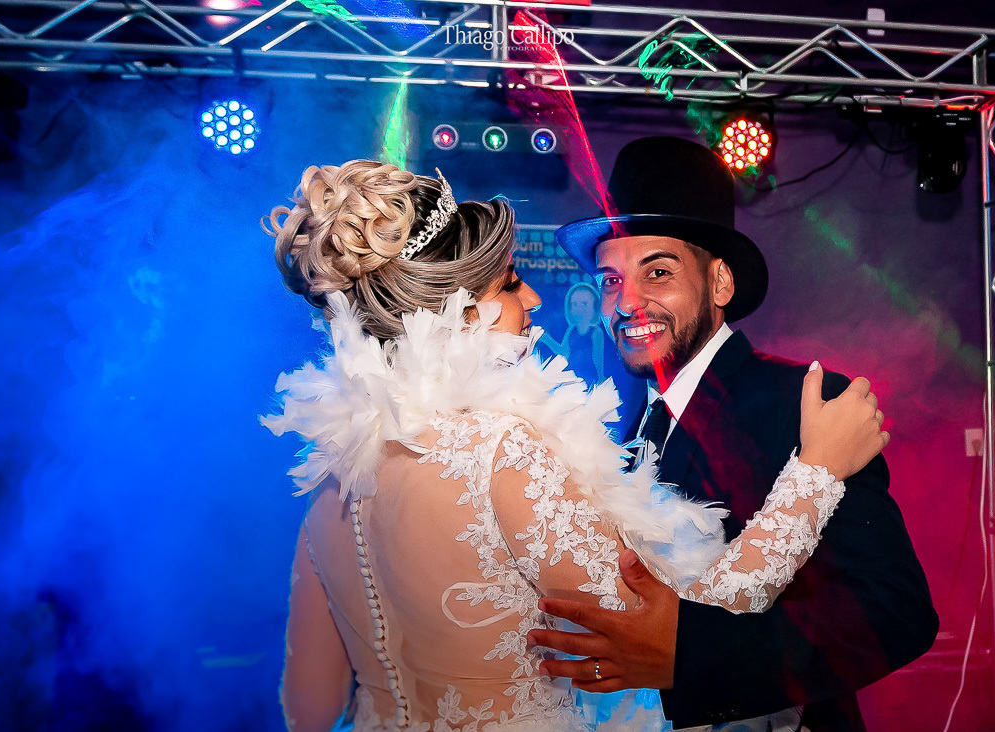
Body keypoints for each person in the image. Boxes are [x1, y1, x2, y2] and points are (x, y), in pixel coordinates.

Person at [261, 159, 889, 731]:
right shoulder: (504, 450)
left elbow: (308, 704)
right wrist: (816, 473)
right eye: (510, 286)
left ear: (721, 281)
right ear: (457, 312)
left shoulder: (332, 477)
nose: (535, 298)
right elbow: (668, 636)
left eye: (658, 273)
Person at [534, 136, 939, 731]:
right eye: (612, 280)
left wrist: (688, 658)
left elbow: (893, 612)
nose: (629, 301)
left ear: (720, 284)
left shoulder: (802, 403)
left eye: (658, 272)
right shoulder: (624, 428)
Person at [539, 282, 606, 383]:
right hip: (572, 374)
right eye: (575, 304)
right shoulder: (571, 330)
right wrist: (547, 339)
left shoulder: (596, 332)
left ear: (595, 307)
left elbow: (598, 357)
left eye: (585, 304)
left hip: (589, 375)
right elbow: (564, 352)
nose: (579, 309)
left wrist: (600, 376)